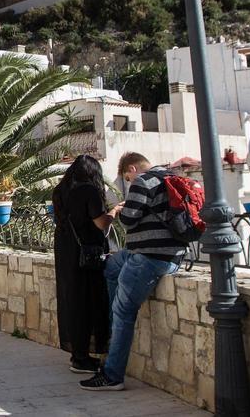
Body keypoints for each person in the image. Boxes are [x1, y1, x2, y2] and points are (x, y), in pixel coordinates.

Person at [81, 152, 186, 392]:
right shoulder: (171, 177)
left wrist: (123, 208)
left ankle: (112, 374)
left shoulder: (143, 181)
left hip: (149, 257)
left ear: (131, 169)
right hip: (171, 256)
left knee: (123, 310)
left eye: (127, 178)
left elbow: (128, 220)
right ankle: (109, 329)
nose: (128, 182)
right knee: (110, 267)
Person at [51, 155, 116, 374]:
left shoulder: (60, 191)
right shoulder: (90, 190)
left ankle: (77, 354)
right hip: (87, 254)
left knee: (73, 300)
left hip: (66, 250)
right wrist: (115, 212)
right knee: (89, 301)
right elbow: (100, 223)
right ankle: (83, 358)